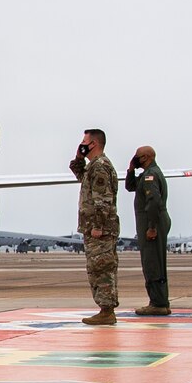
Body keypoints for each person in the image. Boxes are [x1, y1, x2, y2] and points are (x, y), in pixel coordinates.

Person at [70, 128, 120, 325]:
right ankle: (105, 309)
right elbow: (79, 174)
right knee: (96, 268)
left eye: (85, 142)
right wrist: (78, 157)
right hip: (92, 228)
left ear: (95, 144)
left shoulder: (100, 167)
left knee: (102, 268)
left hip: (100, 229)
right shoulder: (93, 167)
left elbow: (103, 200)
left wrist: (98, 226)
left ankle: (107, 311)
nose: (82, 145)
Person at [126, 145, 171, 315]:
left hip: (153, 223)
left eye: (137, 157)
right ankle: (160, 301)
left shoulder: (151, 176)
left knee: (152, 262)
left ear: (146, 157)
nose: (135, 159)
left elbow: (153, 203)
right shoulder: (147, 174)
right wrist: (131, 170)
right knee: (154, 261)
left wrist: (151, 227)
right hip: (153, 222)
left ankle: (158, 303)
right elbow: (130, 187)